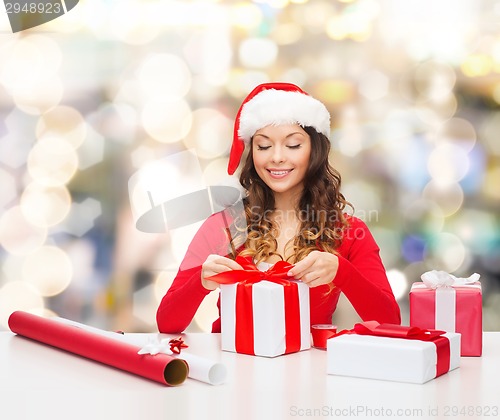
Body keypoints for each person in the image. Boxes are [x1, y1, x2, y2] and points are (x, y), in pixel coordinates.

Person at [156, 82, 401, 333]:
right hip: (232, 368)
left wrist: (342, 273)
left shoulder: (347, 231)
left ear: (314, 151)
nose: (276, 157)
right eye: (263, 146)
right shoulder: (224, 226)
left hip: (309, 370)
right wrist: (200, 282)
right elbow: (166, 322)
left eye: (293, 145)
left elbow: (390, 321)